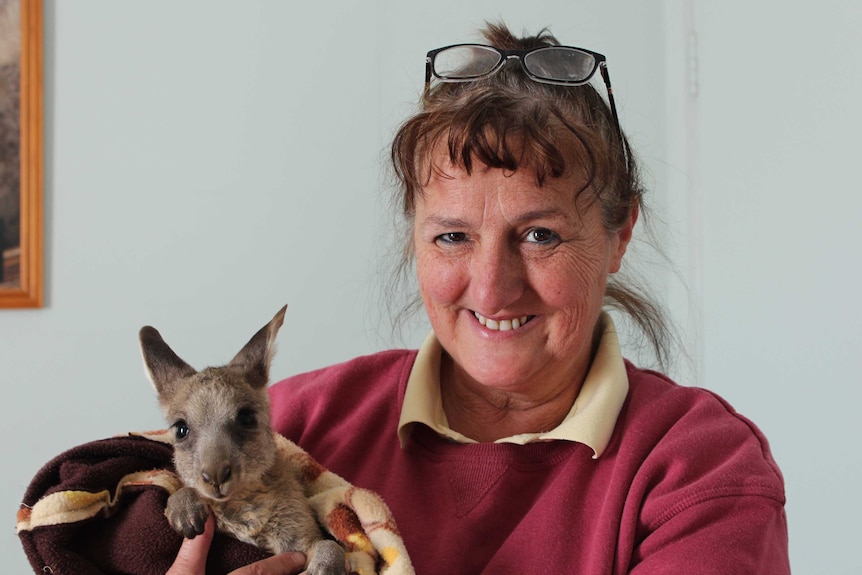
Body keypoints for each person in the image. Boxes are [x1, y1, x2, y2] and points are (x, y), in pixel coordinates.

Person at [170, 22, 790, 575]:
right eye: (453, 236)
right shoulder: (290, 426)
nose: (492, 287)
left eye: (540, 235)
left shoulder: (697, 468)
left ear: (619, 234)